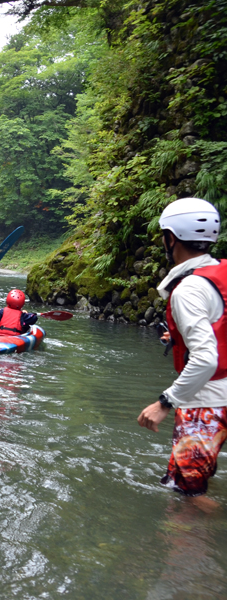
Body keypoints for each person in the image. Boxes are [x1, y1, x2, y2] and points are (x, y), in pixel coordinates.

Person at [137, 197, 227, 497]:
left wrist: (165, 402)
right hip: (219, 401)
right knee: (180, 486)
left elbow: (206, 360)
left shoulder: (188, 289)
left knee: (188, 497)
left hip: (206, 403)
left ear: (171, 238)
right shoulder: (219, 274)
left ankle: (195, 543)